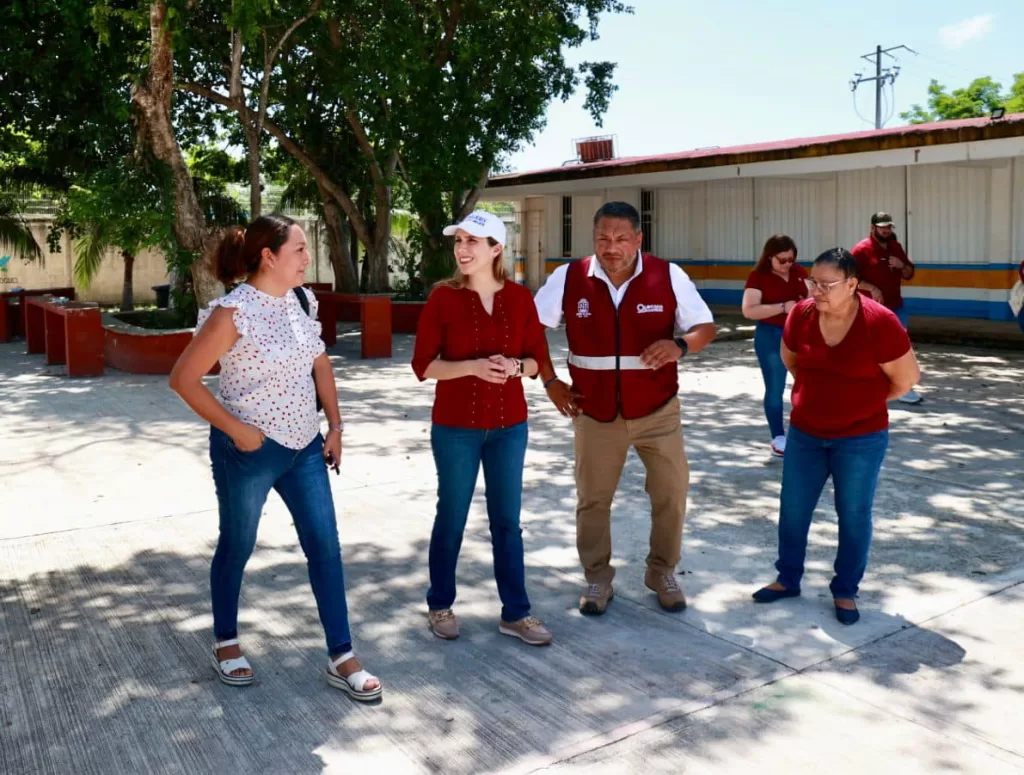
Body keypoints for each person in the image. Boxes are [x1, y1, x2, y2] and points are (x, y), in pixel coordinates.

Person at [168, 214, 381, 701]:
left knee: (325, 547)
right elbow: (183, 379)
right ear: (269, 257)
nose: (309, 259)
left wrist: (336, 426)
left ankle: (342, 656)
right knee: (238, 544)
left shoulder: (303, 301)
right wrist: (237, 430)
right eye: (301, 250)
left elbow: (320, 363)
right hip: (250, 452)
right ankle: (226, 641)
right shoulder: (232, 312)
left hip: (305, 447)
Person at [534, 201, 717, 615]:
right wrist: (549, 382)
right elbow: (532, 330)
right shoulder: (568, 278)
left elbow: (705, 327)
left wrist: (680, 345)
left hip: (658, 412)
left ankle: (662, 571)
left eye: (620, 239)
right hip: (594, 414)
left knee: (671, 493)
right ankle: (597, 579)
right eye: (602, 238)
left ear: (638, 239)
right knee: (593, 500)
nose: (610, 247)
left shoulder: (668, 275)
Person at [752, 248, 921, 625]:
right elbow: (791, 359)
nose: (817, 291)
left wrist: (861, 402)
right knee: (793, 509)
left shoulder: (880, 322)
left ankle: (845, 590)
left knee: (854, 514)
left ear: (852, 284)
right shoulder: (802, 313)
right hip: (806, 434)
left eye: (827, 284)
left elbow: (906, 380)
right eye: (813, 282)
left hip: (860, 439)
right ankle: (787, 578)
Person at [411, 210, 553, 646]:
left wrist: (515, 367)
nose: (463, 249)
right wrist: (471, 366)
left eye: (474, 241)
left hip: (510, 427)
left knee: (507, 522)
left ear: (496, 249)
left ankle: (517, 613)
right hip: (455, 428)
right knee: (451, 516)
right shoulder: (442, 298)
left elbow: (537, 361)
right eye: (459, 241)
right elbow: (423, 365)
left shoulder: (521, 299)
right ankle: (440, 604)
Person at [741, 234, 808, 456]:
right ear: (770, 257)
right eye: (782, 260)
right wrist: (782, 307)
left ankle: (808, 430)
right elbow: (749, 310)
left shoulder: (799, 273)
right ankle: (778, 436)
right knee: (775, 387)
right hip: (770, 335)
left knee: (809, 384)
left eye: (791, 259)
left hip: (799, 335)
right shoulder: (758, 277)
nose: (788, 264)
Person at [851, 212, 922, 404]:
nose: (886, 230)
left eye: (888, 227)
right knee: (870, 348)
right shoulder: (861, 250)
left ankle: (903, 386)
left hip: (895, 306)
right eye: (882, 227)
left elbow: (909, 273)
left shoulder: (894, 246)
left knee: (900, 346)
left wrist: (901, 265)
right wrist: (872, 288)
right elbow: (849, 278)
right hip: (869, 309)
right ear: (872, 228)